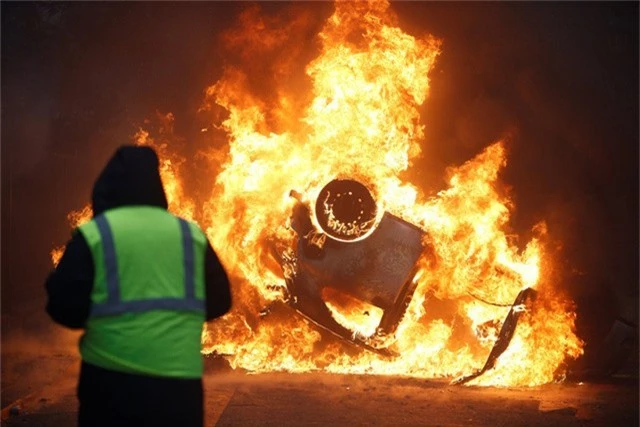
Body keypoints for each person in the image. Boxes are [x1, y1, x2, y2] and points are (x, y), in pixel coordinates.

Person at [45, 145, 232, 427]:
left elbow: (63, 308)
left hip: (110, 388)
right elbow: (220, 300)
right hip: (178, 389)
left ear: (107, 187)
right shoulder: (188, 234)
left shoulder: (96, 234)